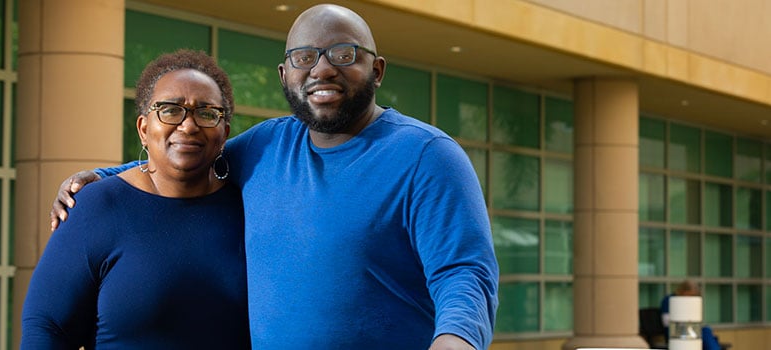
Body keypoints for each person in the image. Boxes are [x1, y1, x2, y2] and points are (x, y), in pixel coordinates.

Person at [49, 4, 498, 349]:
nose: (322, 69)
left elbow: (465, 274)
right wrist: (100, 177)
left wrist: (455, 340)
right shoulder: (266, 146)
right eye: (304, 57)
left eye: (344, 54)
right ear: (285, 75)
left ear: (376, 70)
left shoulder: (427, 156)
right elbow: (189, 157)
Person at [23, 49, 250, 349]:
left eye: (207, 113)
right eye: (171, 109)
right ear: (144, 129)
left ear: (224, 134)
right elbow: (46, 327)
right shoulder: (97, 205)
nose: (189, 125)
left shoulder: (247, 208)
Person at [660, 280, 722, 350]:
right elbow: (668, 325)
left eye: (694, 296)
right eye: (691, 295)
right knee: (705, 333)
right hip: (675, 333)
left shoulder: (691, 302)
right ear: (683, 291)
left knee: (706, 330)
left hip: (690, 330)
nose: (692, 298)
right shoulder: (669, 301)